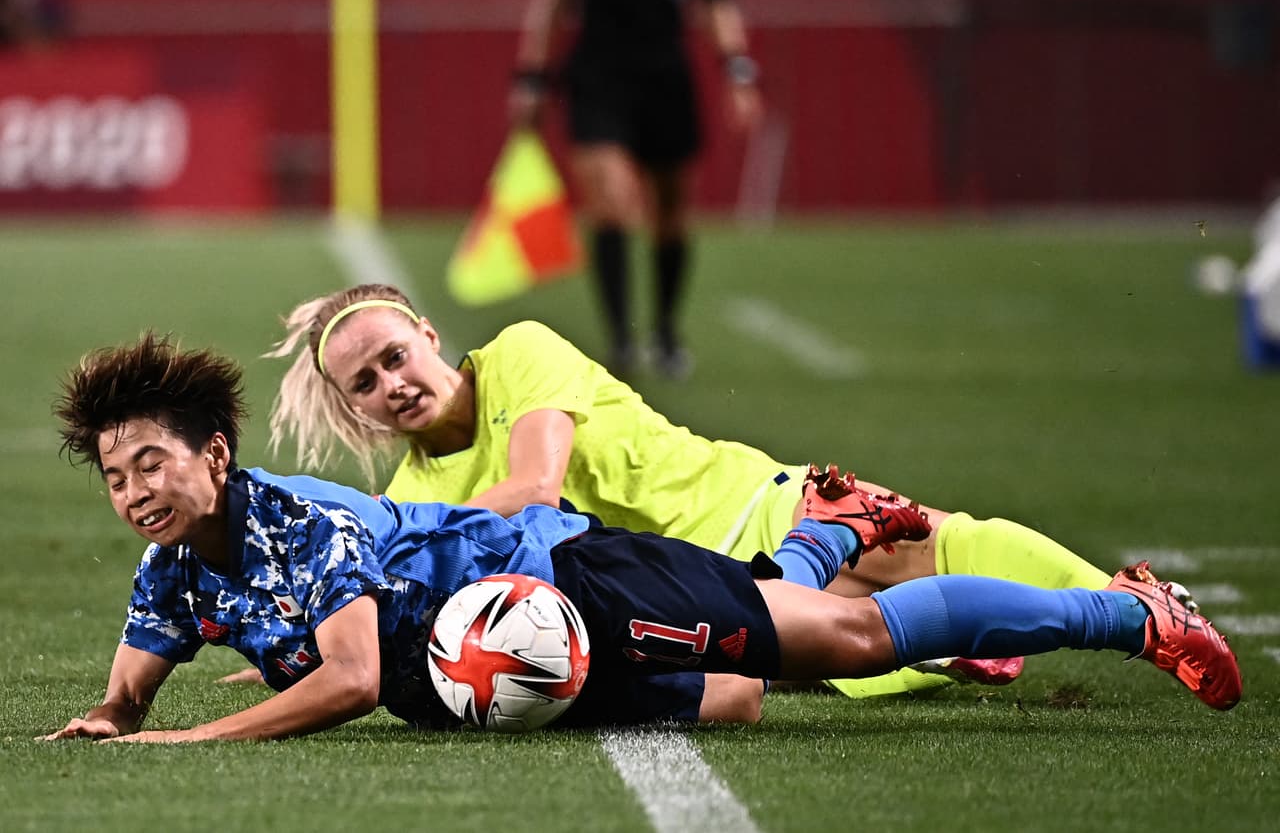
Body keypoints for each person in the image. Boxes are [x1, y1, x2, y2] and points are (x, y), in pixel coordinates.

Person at [43, 335, 1240, 742]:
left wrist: (194, 736)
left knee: (850, 639)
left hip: (568, 581)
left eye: (152, 459)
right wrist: (117, 715)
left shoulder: (291, 518)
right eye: (115, 474)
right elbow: (133, 685)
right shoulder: (171, 568)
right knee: (728, 701)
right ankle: (825, 529)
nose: (135, 488)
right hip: (496, 668)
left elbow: (350, 677)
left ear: (213, 455)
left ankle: (1131, 612)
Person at [265, 283, 1200, 699]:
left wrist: (404, 534)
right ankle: (962, 646)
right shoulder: (417, 483)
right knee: (874, 653)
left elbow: (538, 487)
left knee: (937, 545)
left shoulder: (517, 354)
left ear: (428, 335)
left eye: (396, 355)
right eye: (367, 382)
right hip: (696, 601)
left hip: (752, 506)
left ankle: (1128, 601)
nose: (393, 381)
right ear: (360, 409)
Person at [509, 0, 763, 377]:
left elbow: (717, 3)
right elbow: (552, 1)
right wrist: (532, 77)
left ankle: (664, 332)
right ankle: (621, 341)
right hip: (598, 80)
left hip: (666, 83)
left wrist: (738, 70)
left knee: (671, 214)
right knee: (610, 202)